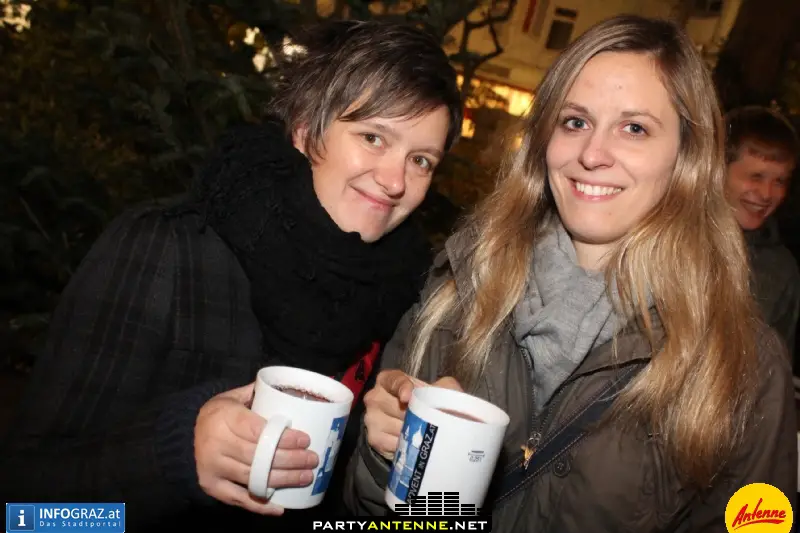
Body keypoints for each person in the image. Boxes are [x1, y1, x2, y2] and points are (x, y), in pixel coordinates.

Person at [0, 19, 461, 530]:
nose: (396, 180)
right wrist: (173, 456)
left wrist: (382, 450)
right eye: (373, 136)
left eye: (421, 160)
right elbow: (25, 511)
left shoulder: (398, 293)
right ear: (306, 129)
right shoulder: (166, 251)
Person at [344, 14, 797, 533]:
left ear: (686, 158)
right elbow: (382, 517)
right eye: (575, 121)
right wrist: (388, 462)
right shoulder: (457, 292)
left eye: (634, 128)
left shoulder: (743, 364)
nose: (592, 154)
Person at [723, 105, 800, 356]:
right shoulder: (669, 240)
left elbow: (776, 372)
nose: (767, 194)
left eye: (779, 181)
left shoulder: (780, 270)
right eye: (756, 176)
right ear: (716, 170)